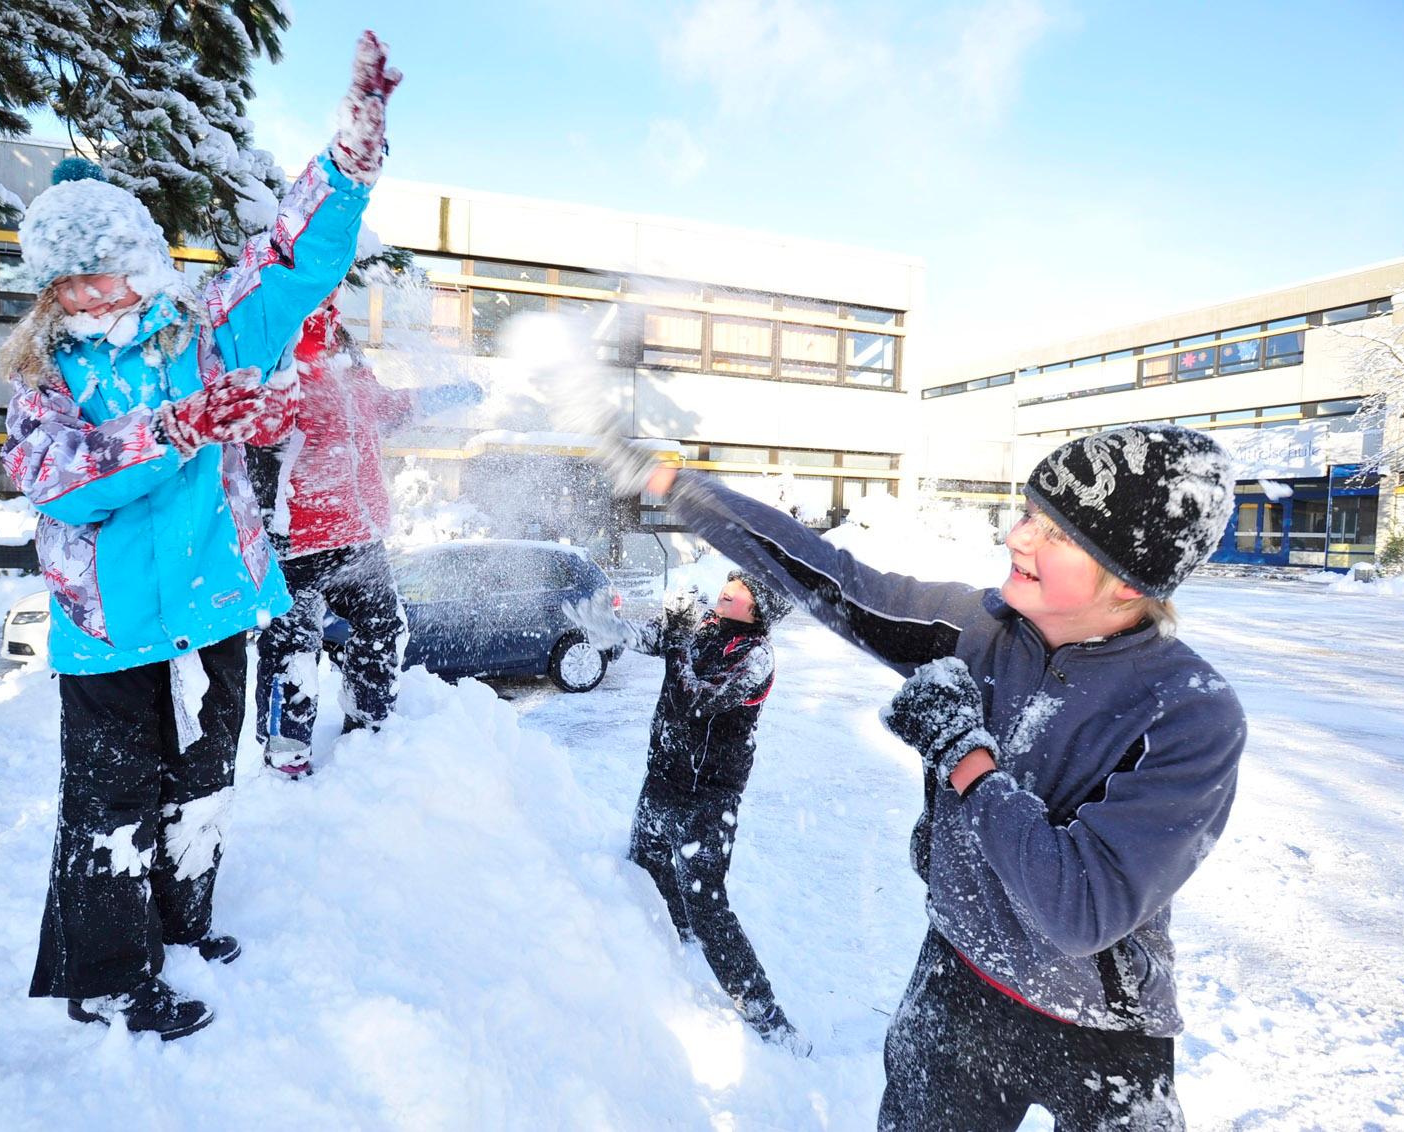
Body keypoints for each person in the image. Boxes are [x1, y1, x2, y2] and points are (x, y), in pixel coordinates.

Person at [597, 425, 1245, 1129]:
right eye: (1027, 512)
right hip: (956, 983)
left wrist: (964, 757)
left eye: (1053, 533)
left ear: (1125, 576)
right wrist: (677, 487)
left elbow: (1081, 910)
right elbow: (828, 577)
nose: (1017, 537)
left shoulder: (1186, 713)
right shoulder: (972, 630)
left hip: (1099, 1027)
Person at [0, 32, 401, 1040]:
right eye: (67, 285)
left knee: (208, 774)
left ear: (137, 259)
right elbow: (54, 479)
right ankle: (107, 972)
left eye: (102, 274)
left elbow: (287, 266)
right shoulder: (44, 377)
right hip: (109, 626)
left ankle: (181, 921)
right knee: (113, 803)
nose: (91, 297)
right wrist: (174, 428)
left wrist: (347, 162)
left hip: (219, 601)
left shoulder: (204, 329)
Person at [568, 570, 810, 1055]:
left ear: (759, 611)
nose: (730, 589)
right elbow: (659, 640)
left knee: (709, 904)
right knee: (645, 864)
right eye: (732, 582)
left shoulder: (756, 659)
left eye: (744, 591)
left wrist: (678, 642)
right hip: (663, 780)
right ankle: (676, 945)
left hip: (709, 799)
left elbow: (694, 706)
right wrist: (616, 630)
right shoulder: (704, 628)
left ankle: (767, 1017)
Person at [244, 301, 482, 777]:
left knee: (382, 627)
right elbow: (259, 430)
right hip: (297, 541)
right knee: (293, 647)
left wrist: (444, 395)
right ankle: (286, 752)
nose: (333, 300)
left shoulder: (345, 350)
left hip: (360, 534)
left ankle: (370, 725)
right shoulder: (275, 346)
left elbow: (383, 408)